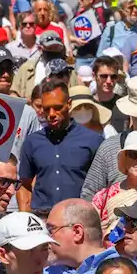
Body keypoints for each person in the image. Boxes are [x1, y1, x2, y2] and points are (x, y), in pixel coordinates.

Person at [18, 78, 104, 215]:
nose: (51, 114)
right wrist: (25, 217)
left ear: (69, 104)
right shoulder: (32, 142)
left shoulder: (93, 141)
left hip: (79, 218)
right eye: (46, 109)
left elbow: (102, 187)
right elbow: (24, 184)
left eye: (57, 107)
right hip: (41, 219)